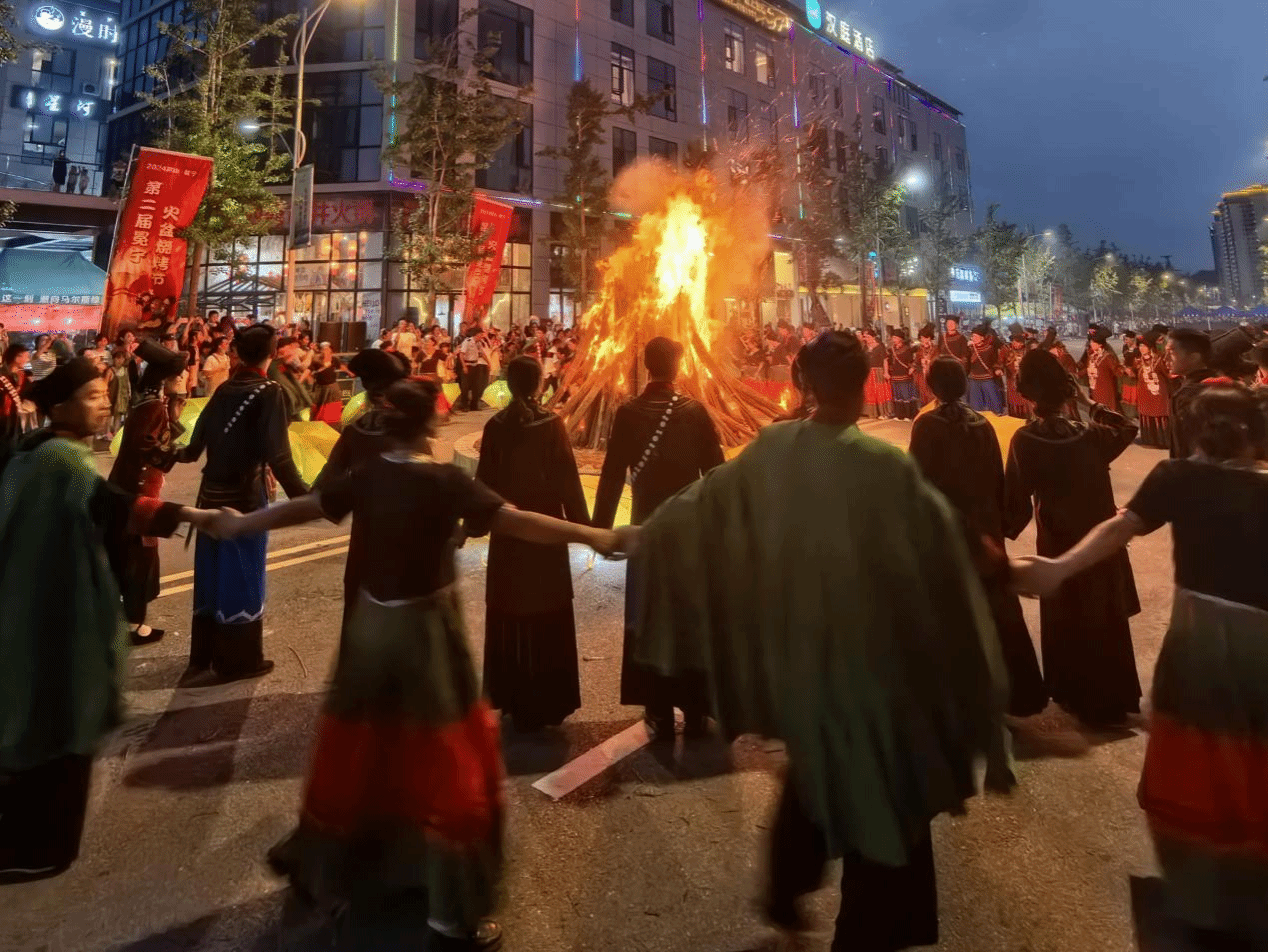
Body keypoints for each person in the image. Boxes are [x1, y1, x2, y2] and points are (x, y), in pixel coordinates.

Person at [621, 331, 1011, 951]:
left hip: (804, 661)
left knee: (815, 768)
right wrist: (990, 561)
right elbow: (940, 534)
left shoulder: (775, 448)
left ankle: (785, 892)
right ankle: (861, 928)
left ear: (804, 385)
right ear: (864, 387)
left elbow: (701, 502)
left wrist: (638, 535)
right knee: (883, 797)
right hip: (876, 668)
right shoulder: (881, 464)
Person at [215, 377, 619, 952]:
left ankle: (354, 877)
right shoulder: (444, 481)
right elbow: (516, 520)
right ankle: (452, 918)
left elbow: (308, 507)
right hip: (427, 639)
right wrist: (594, 536)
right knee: (451, 767)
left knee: (365, 755)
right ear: (431, 422)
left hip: (371, 633)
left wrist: (239, 522)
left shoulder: (371, 475)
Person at [1012, 385, 1268, 950]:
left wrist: (1058, 568)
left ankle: (1205, 903)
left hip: (1199, 644)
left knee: (1192, 775)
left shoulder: (1177, 478)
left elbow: (1119, 527)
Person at [0, 360, 217, 882]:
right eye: (93, 395)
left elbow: (107, 505)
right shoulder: (60, 461)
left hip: (29, 613)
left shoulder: (36, 452)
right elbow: (110, 505)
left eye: (103, 394)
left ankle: (30, 842)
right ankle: (39, 849)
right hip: (53, 617)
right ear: (60, 406)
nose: (103, 404)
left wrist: (183, 516)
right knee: (59, 726)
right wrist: (188, 516)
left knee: (39, 726)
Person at [594, 336, 725, 738]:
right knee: (690, 612)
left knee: (648, 614)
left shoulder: (628, 413)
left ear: (647, 367)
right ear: (678, 366)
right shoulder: (695, 412)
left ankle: (658, 710)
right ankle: (697, 706)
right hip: (690, 531)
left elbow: (612, 473)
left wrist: (599, 530)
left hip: (645, 530)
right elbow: (716, 473)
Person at [1004, 349, 1142, 728]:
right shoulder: (1091, 434)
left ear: (1028, 393)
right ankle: (1114, 698)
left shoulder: (1026, 440)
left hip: (1058, 541)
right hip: (1101, 540)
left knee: (1069, 613)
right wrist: (1088, 402)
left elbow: (1013, 506)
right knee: (1104, 610)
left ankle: (1075, 694)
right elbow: (1127, 428)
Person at [909, 357, 1047, 721]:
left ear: (931, 386)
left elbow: (917, 482)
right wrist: (998, 525)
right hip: (985, 527)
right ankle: (1017, 694)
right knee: (996, 607)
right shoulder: (981, 423)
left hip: (948, 530)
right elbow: (997, 477)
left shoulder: (927, 424)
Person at [176, 324, 309, 685]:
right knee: (242, 575)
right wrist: (308, 500)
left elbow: (191, 450)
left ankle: (203, 657)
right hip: (245, 499)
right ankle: (238, 661)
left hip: (209, 496)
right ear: (273, 352)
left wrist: (162, 451)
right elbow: (280, 457)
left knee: (210, 575)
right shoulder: (270, 391)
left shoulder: (224, 389)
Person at [477, 357, 590, 732]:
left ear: (509, 384)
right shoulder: (551, 424)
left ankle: (513, 697)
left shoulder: (495, 426)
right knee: (547, 608)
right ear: (540, 384)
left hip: (508, 533)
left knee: (511, 608)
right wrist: (584, 527)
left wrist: (473, 524)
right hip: (545, 532)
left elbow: (484, 484)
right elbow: (567, 479)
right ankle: (546, 700)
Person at [106, 340, 188, 647]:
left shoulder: (148, 403)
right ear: (165, 379)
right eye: (179, 374)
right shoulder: (153, 407)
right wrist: (173, 454)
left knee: (129, 556)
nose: (184, 378)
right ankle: (134, 625)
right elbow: (145, 445)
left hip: (131, 490)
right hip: (140, 494)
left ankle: (125, 621)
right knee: (139, 558)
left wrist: (174, 421)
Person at [1167, 329, 1213, 460]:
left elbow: (1184, 447)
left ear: (1194, 357)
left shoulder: (1188, 395)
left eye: (1171, 353)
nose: (1166, 359)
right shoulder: (1219, 383)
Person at [1134, 330, 1172, 448]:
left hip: (1158, 394)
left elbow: (1168, 374)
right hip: (1144, 393)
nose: (1141, 348)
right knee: (1145, 413)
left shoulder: (1159, 359)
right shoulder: (1138, 361)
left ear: (1150, 347)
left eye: (1144, 346)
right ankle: (1149, 440)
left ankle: (1163, 441)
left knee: (1159, 413)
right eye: (1140, 346)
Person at [268, 335, 311, 421]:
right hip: (289, 409)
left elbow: (304, 370)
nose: (294, 350)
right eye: (291, 346)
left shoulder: (284, 365)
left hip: (298, 406)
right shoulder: (273, 366)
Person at [966, 322, 1004, 414]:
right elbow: (967, 362)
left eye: (976, 336)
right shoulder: (970, 349)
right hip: (974, 379)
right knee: (975, 406)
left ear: (982, 338)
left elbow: (995, 362)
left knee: (993, 402)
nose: (973, 338)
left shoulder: (989, 349)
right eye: (973, 336)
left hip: (987, 378)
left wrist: (998, 369)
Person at [1083, 325, 1122, 411]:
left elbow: (1117, 370)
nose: (1090, 344)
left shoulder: (1107, 355)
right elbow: (1087, 367)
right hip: (1095, 388)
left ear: (1100, 344)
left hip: (1105, 390)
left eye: (1093, 342)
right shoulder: (1092, 355)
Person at [0, 342, 29, 459]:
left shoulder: (21, 375)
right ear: (17, 357)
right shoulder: (2, 375)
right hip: (2, 415)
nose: (27, 360)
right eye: (25, 357)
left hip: (14, 415)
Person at [885, 326, 919, 420]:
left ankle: (909, 415)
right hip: (895, 375)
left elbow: (911, 361)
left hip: (905, 375)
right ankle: (899, 415)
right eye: (893, 338)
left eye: (895, 338)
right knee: (897, 395)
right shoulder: (891, 350)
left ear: (900, 339)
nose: (894, 340)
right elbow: (889, 361)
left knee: (906, 395)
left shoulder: (907, 349)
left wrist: (912, 368)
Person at [859, 326, 892, 418]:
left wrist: (886, 372)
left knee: (880, 391)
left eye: (868, 337)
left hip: (878, 371)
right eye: (865, 337)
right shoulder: (865, 347)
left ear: (873, 337)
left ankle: (882, 412)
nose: (866, 339)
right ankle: (872, 412)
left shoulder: (880, 346)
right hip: (868, 372)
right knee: (870, 392)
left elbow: (885, 360)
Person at [457, 326, 491, 412]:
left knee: (476, 386)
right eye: (480, 335)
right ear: (476, 334)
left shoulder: (478, 343)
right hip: (467, 365)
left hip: (475, 365)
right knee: (465, 387)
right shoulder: (467, 341)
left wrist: (488, 362)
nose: (481, 336)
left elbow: (482, 353)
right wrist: (464, 366)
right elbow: (461, 354)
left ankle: (474, 405)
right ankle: (464, 405)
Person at [309, 342, 343, 423]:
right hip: (320, 388)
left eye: (328, 349)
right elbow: (310, 371)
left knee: (332, 410)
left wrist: (350, 372)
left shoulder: (334, 359)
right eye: (324, 349)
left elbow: (341, 367)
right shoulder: (316, 360)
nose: (326, 351)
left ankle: (332, 424)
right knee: (317, 409)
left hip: (332, 388)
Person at [1002, 332, 1032, 418]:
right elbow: (1000, 362)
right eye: (1014, 341)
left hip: (1024, 381)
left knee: (1025, 400)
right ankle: (1014, 418)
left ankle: (1027, 418)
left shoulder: (1027, 351)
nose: (1014, 343)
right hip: (1011, 381)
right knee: (1013, 400)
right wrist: (998, 369)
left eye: (1017, 342)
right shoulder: (1006, 350)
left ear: (1022, 343)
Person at [107, 348, 131, 436]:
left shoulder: (125, 370)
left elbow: (128, 382)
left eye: (122, 358)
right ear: (114, 359)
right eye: (118, 358)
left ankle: (116, 431)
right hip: (112, 395)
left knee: (119, 414)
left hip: (122, 395)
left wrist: (129, 393)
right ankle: (107, 432)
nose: (120, 360)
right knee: (110, 414)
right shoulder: (110, 370)